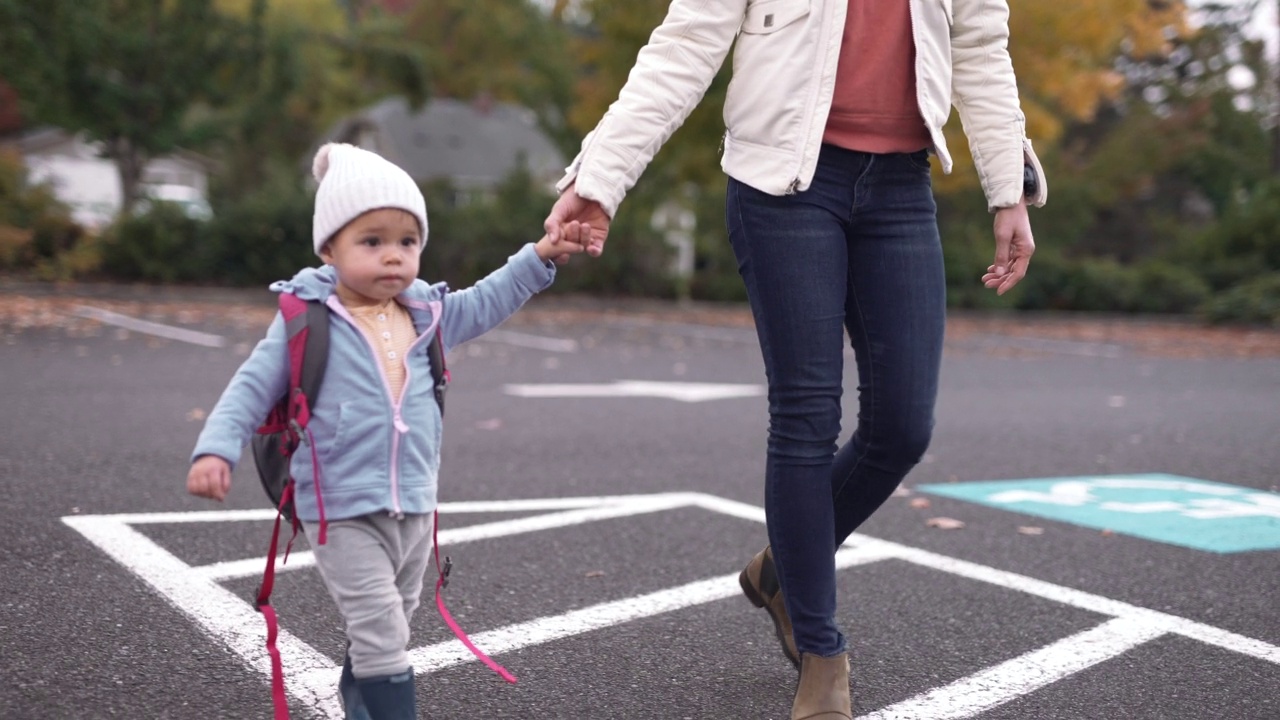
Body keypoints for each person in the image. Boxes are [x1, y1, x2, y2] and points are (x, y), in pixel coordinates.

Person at [543, 1, 1047, 718]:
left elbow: (982, 54)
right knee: (807, 416)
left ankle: (781, 572)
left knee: (903, 427)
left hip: (901, 188)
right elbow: (683, 48)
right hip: (782, 187)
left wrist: (1009, 191)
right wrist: (601, 178)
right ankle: (822, 651)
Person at [187, 142, 588, 719]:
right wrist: (215, 450)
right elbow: (250, 388)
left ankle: (359, 706)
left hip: (413, 505)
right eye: (371, 242)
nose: (393, 257)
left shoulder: (425, 312)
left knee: (389, 626)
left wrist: (542, 253)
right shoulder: (309, 319)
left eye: (407, 241)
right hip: (340, 509)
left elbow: (490, 298)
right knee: (382, 636)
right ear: (330, 248)